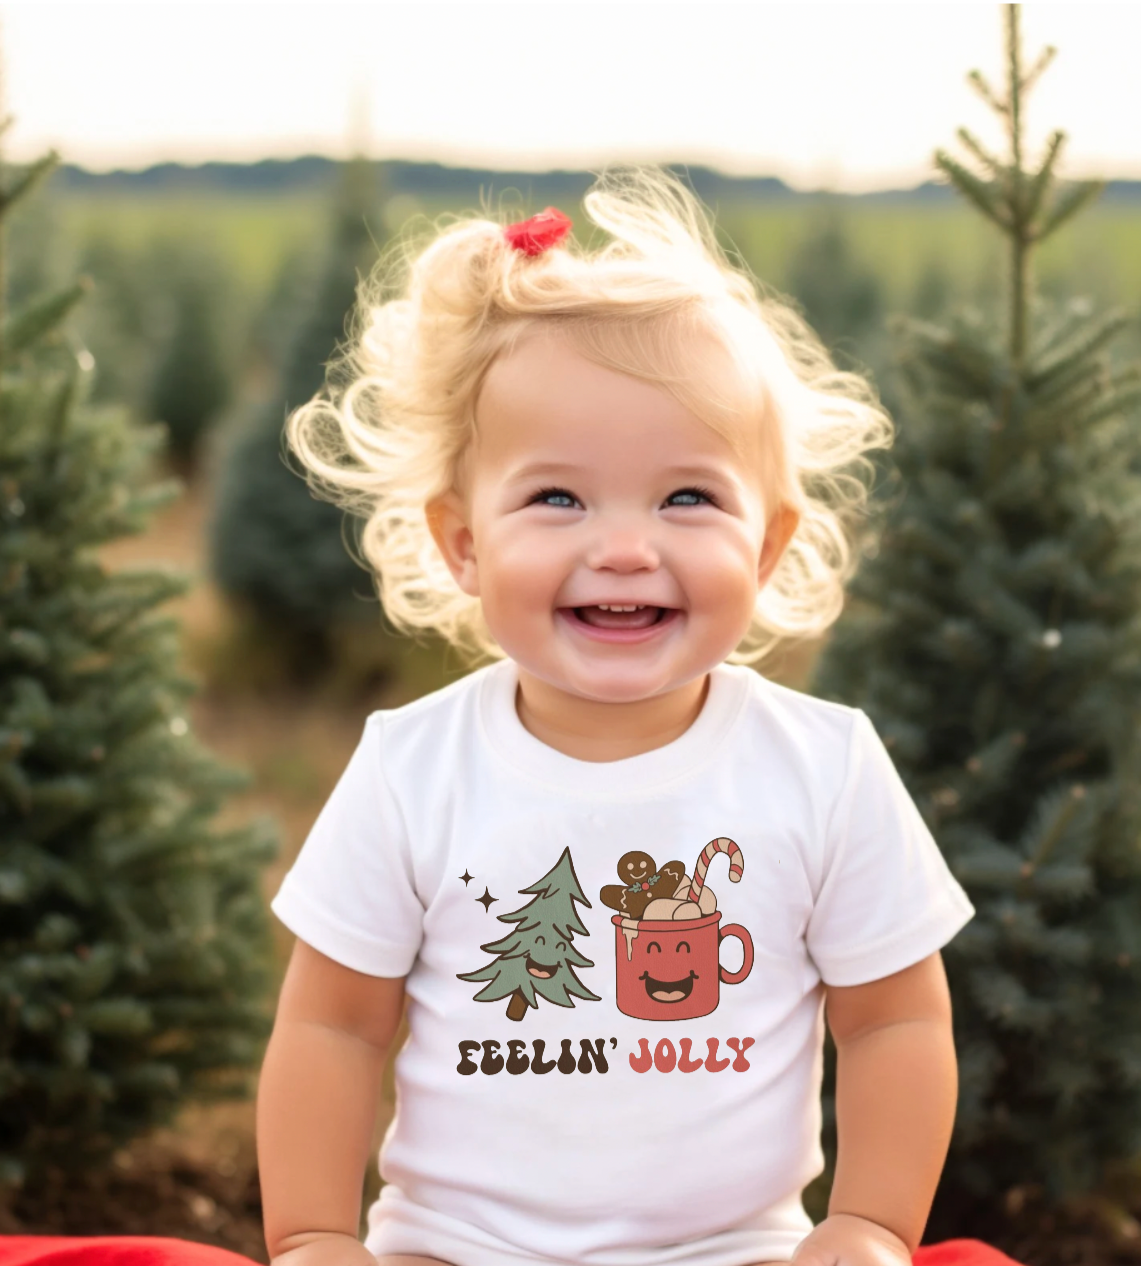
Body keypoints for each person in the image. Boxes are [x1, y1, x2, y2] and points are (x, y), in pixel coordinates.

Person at [257, 168, 977, 1266]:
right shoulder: (413, 767)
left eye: (687, 496)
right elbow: (330, 1027)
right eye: (557, 497)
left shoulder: (822, 767)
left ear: (768, 542)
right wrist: (312, 1236)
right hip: (452, 1251)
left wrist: (869, 1224)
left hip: (730, 1254)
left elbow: (891, 1022)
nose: (626, 546)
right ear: (462, 542)